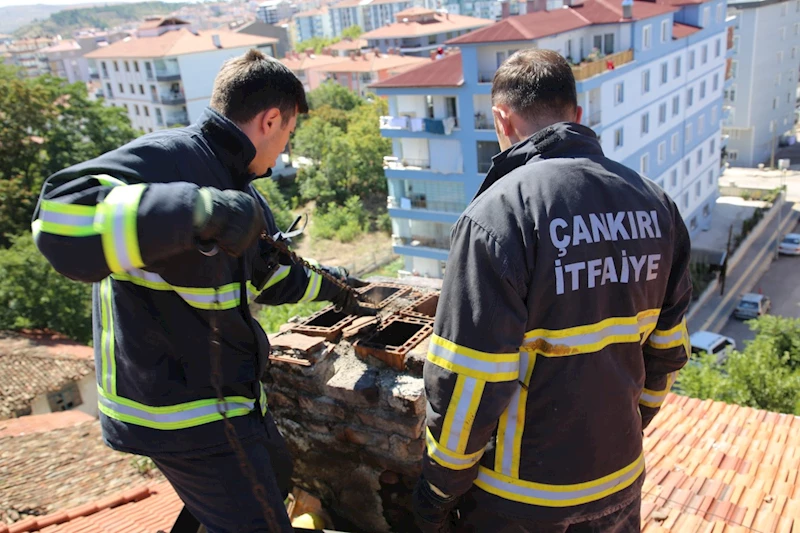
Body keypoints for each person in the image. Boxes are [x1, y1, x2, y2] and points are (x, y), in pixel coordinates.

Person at [32, 49, 371, 533]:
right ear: (271, 120)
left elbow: (273, 275)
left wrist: (340, 286)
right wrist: (198, 210)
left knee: (273, 470)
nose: (284, 150)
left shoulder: (241, 193)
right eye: (289, 134)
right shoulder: (169, 159)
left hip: (219, 404)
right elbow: (58, 220)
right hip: (184, 414)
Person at [412, 49, 691, 533]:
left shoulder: (498, 215)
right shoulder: (656, 204)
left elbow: (470, 381)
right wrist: (630, 425)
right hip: (619, 482)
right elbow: (668, 350)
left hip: (520, 500)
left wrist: (438, 489)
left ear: (501, 119)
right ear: (577, 116)